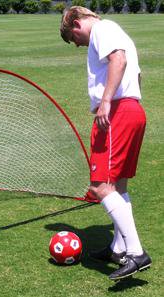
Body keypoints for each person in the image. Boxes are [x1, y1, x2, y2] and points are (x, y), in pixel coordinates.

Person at [60, 6, 151, 280]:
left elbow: (118, 60)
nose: (77, 45)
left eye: (73, 39)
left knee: (101, 186)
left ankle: (136, 253)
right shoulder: (116, 30)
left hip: (117, 112)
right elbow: (137, 74)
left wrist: (107, 101)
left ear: (76, 24)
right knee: (118, 184)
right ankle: (118, 248)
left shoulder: (102, 29)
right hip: (133, 109)